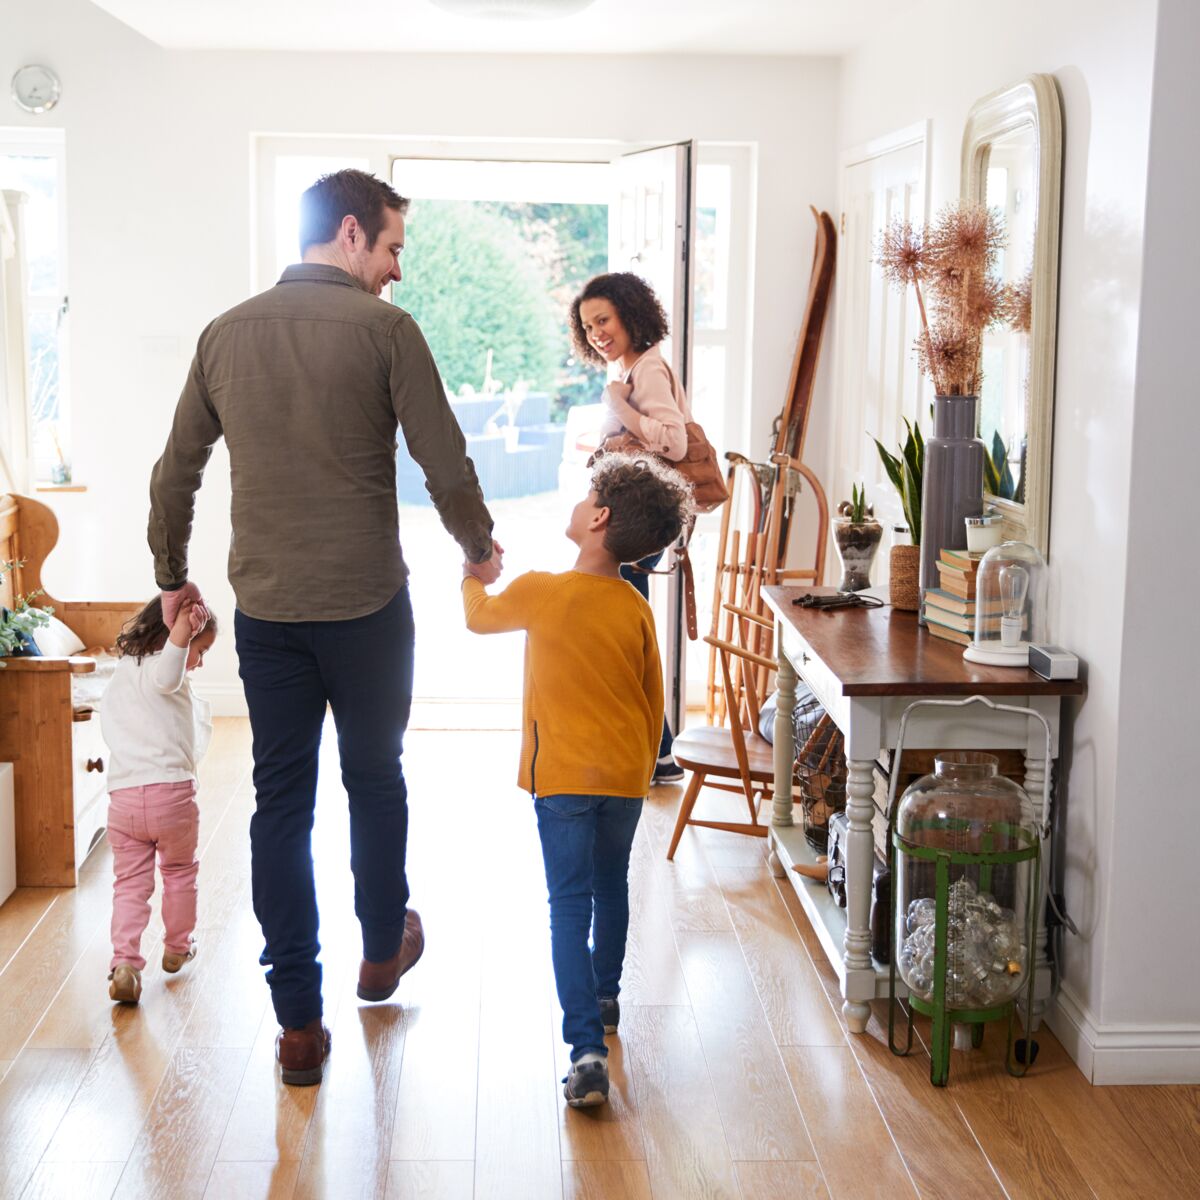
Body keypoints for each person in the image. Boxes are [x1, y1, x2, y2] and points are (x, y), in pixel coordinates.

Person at [147, 168, 497, 1086]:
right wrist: (481, 549)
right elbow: (443, 461)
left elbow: (171, 474)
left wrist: (170, 580)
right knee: (376, 779)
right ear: (350, 233)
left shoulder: (225, 334)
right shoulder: (387, 332)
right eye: (392, 249)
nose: (396, 270)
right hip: (370, 608)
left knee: (280, 804)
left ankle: (297, 1022)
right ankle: (382, 950)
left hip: (268, 613)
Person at [462, 453, 694, 1107]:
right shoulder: (634, 609)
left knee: (568, 905)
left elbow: (478, 616)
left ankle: (586, 1050)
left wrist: (471, 575)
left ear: (598, 517)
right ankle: (606, 996)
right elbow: (655, 705)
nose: (579, 500)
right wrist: (641, 767)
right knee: (611, 885)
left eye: (587, 494)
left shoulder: (541, 589)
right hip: (622, 777)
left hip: (561, 779)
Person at [569, 272, 692, 784]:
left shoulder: (648, 371)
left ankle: (655, 753)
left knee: (626, 640)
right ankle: (658, 753)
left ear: (629, 315)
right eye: (588, 325)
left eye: (604, 320)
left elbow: (675, 442)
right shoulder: (632, 369)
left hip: (636, 528)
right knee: (630, 637)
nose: (597, 332)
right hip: (628, 523)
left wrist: (617, 406)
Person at [101, 595, 216, 1005]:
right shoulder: (165, 670)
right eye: (199, 651)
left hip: (124, 799)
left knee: (129, 884)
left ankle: (125, 962)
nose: (199, 662)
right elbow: (168, 673)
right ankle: (177, 946)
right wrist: (183, 635)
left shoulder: (121, 673)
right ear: (175, 638)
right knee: (180, 872)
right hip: (171, 796)